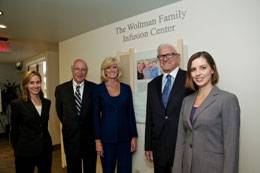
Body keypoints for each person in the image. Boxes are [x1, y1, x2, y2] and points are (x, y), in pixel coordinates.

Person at [172, 51, 240, 173]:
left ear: (212, 69)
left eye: (203, 68)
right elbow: (180, 140)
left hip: (213, 167)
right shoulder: (186, 101)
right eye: (193, 69)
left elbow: (231, 148)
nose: (197, 73)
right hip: (187, 167)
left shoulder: (227, 100)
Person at [144, 43, 190, 173]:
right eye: (161, 56)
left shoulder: (189, 79)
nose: (164, 58)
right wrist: (148, 145)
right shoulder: (152, 85)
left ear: (178, 57)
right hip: (159, 146)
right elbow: (150, 116)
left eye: (168, 54)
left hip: (181, 144)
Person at [93, 57, 138, 173]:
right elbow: (95, 117)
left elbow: (130, 113)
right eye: (108, 67)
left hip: (125, 139)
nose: (112, 70)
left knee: (125, 170)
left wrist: (133, 136)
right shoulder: (98, 90)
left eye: (114, 67)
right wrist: (98, 141)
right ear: (104, 70)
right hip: (106, 140)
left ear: (118, 70)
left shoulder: (126, 88)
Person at [55, 59, 97, 173]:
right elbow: (60, 112)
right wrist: (70, 124)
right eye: (77, 69)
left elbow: (96, 114)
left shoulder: (94, 88)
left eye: (83, 69)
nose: (80, 72)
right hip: (70, 138)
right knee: (73, 169)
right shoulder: (61, 89)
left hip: (89, 140)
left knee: (90, 169)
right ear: (72, 70)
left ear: (86, 71)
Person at [10, 71, 52, 173]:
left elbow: (43, 126)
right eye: (31, 82)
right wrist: (17, 150)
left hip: (45, 150)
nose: (35, 85)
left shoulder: (47, 103)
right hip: (25, 152)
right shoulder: (18, 104)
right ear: (25, 85)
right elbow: (14, 130)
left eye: (38, 82)